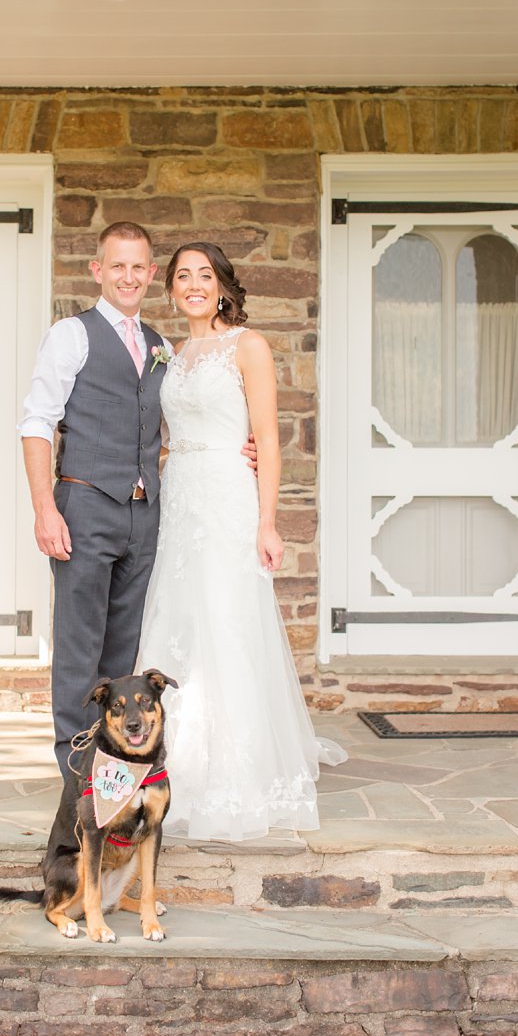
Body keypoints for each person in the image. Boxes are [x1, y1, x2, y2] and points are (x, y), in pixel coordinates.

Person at [135, 242, 345, 842]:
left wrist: (268, 522)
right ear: (171, 289)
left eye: (205, 275)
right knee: (180, 621)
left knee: (228, 624)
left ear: (223, 285)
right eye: (183, 277)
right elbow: (169, 430)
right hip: (180, 499)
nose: (194, 285)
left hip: (229, 497)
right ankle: (173, 764)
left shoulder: (247, 346)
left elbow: (268, 441)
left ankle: (238, 772)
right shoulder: (171, 354)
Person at [20, 222, 168, 778]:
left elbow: (163, 430)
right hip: (84, 506)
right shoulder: (71, 335)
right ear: (97, 270)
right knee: (80, 651)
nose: (128, 277)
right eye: (117, 266)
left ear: (151, 274)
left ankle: (116, 776)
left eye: (139, 267)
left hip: (143, 514)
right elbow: (37, 423)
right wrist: (44, 507)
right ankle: (77, 780)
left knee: (123, 657)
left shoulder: (161, 346)